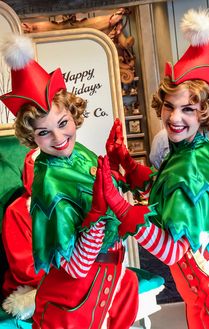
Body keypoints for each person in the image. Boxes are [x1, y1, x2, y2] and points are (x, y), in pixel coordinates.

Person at [103, 8, 209, 329]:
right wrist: (128, 164)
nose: (175, 117)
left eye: (188, 109)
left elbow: (174, 251)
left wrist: (124, 211)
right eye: (169, 105)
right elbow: (167, 188)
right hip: (205, 288)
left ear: (205, 113)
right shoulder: (186, 149)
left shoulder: (194, 161)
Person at [0, 34, 138, 329]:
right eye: (44, 133)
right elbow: (74, 267)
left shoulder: (80, 153)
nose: (59, 138)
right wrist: (97, 216)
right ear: (31, 138)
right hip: (71, 305)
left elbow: (98, 189)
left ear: (74, 116)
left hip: (103, 282)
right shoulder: (48, 183)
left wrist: (116, 166)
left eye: (63, 124)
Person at [1, 148, 45, 321]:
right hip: (30, 286)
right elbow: (25, 269)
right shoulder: (17, 211)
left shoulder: (71, 205)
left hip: (72, 276)